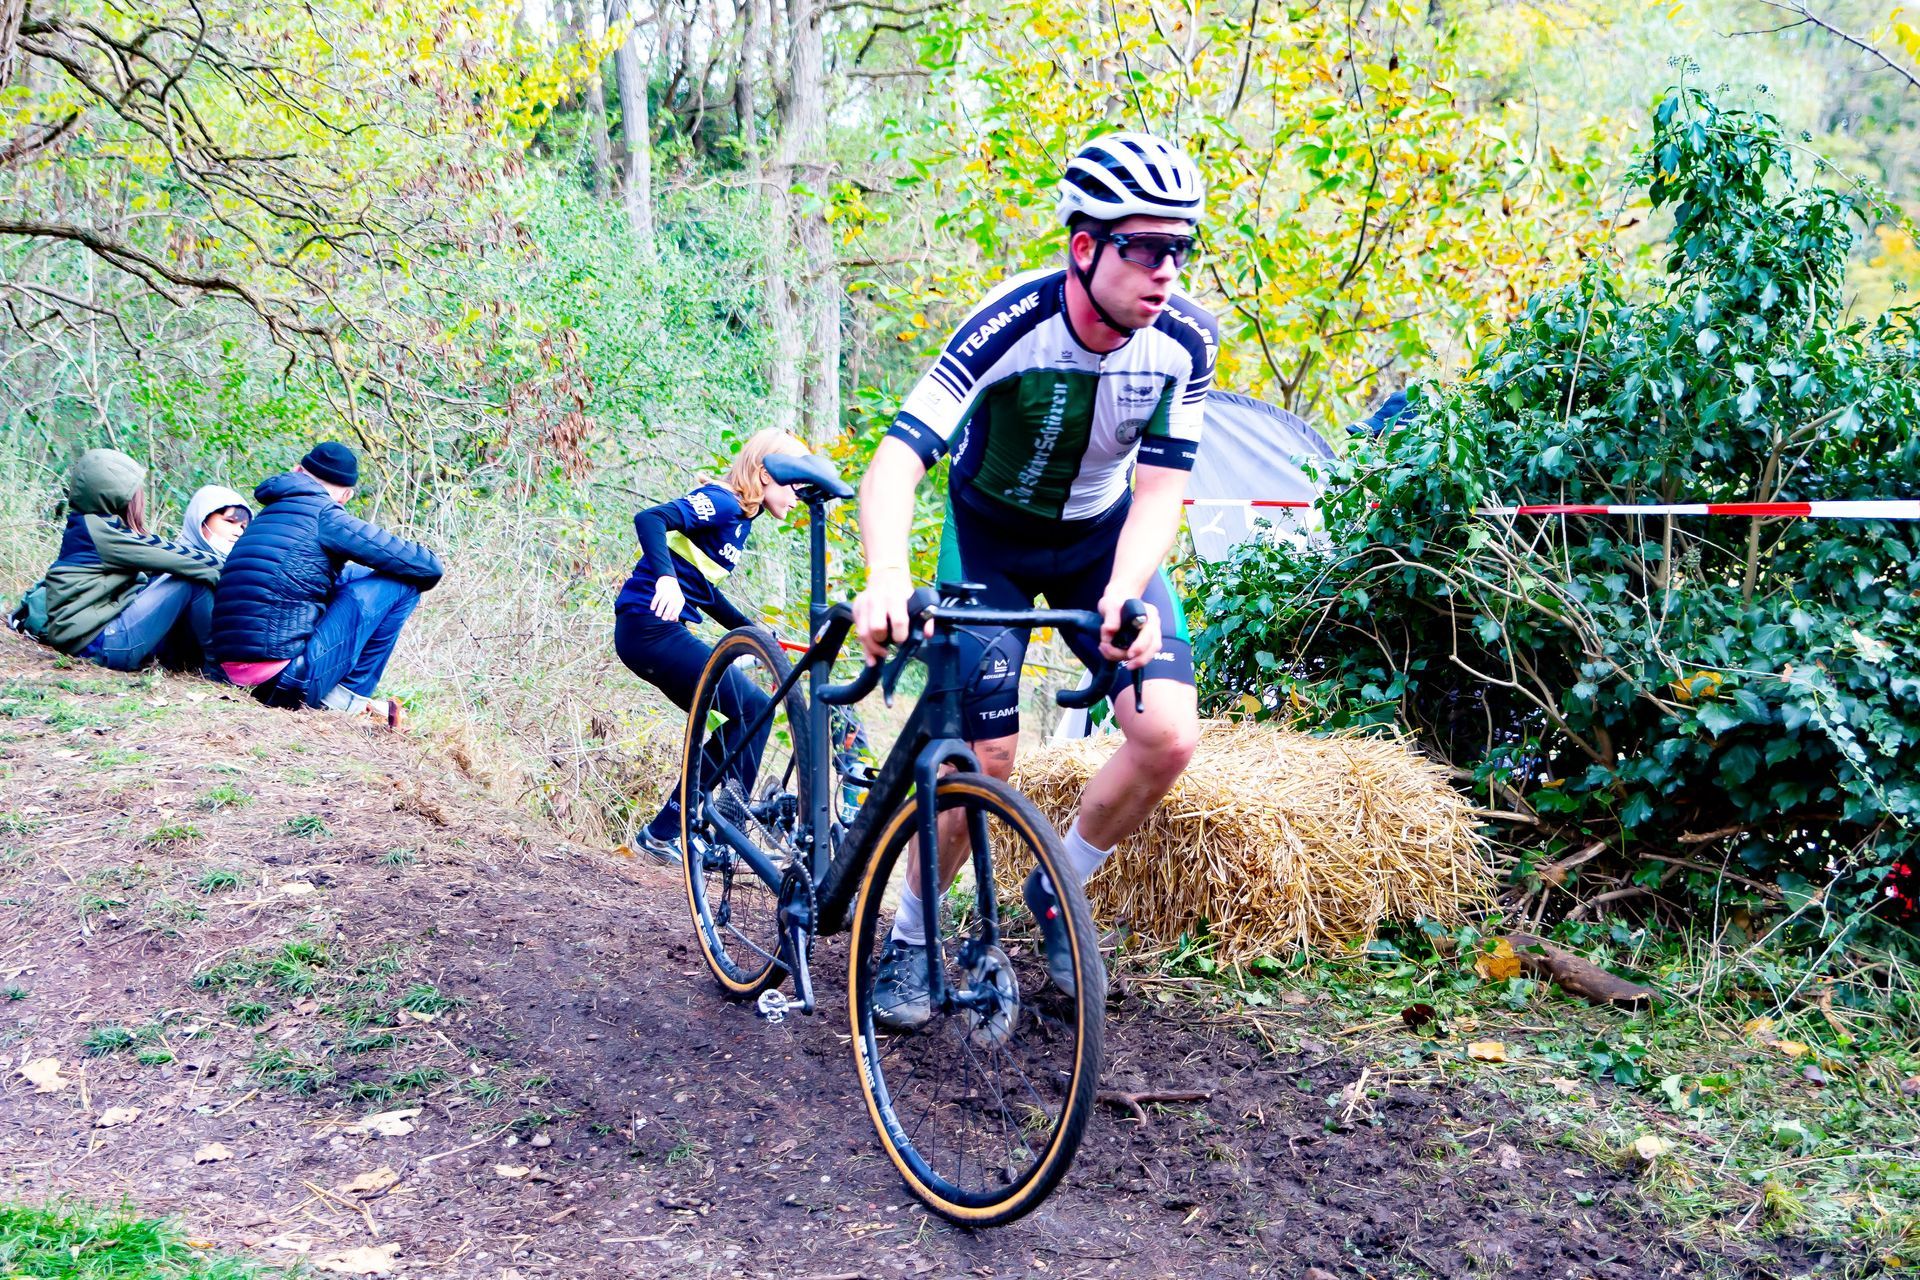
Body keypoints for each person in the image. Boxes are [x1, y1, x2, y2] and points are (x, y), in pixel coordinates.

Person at [851, 132, 1219, 1028]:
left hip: (1099, 541)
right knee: (987, 758)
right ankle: (910, 938)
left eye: (1182, 247)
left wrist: (1125, 591)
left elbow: (1160, 492)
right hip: (992, 543)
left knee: (1168, 736)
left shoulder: (1186, 341)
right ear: (1084, 247)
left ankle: (1059, 884)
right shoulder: (1010, 323)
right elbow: (896, 462)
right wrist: (887, 575)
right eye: (1145, 247)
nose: (1167, 270)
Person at [613, 428, 810, 864]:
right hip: (648, 628)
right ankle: (726, 837)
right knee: (754, 710)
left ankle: (666, 832)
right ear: (765, 473)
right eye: (794, 483)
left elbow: (703, 589)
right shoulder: (724, 502)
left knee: (744, 719)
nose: (797, 496)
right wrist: (665, 579)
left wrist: (754, 632)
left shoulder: (742, 518)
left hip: (652, 631)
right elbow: (650, 518)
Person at [209, 442, 443, 728]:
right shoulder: (327, 516)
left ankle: (333, 688)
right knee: (403, 583)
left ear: (297, 471)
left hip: (228, 672)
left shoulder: (266, 517)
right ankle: (346, 698)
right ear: (346, 495)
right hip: (279, 683)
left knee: (350, 574)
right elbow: (429, 567)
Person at [12, 449, 226, 672]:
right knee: (191, 581)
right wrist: (238, 569)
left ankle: (206, 662)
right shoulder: (102, 535)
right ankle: (220, 669)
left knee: (177, 576)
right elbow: (181, 559)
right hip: (100, 646)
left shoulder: (91, 525)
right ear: (115, 496)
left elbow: (164, 552)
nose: (141, 498)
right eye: (136, 492)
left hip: (90, 640)